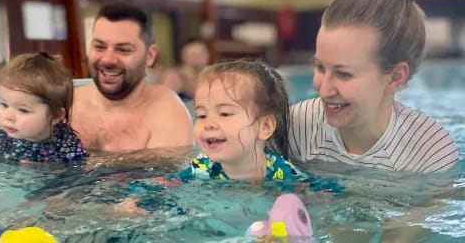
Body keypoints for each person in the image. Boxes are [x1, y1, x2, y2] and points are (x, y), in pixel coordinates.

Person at [289, 0, 459, 173]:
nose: (323, 90)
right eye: (320, 67)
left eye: (344, 74)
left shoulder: (428, 153)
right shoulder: (294, 128)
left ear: (396, 77)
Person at [115, 60, 343, 214]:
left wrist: (322, 198)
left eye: (224, 113)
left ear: (264, 127)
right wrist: (132, 200)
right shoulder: (202, 169)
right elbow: (154, 185)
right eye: (201, 114)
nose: (209, 123)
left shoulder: (280, 172)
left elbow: (328, 189)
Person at [71, 4, 193, 152]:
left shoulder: (167, 115)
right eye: (99, 46)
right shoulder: (66, 105)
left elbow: (166, 174)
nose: (108, 60)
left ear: (150, 56)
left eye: (123, 50)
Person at [0, 52, 87, 163]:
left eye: (23, 110)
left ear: (56, 116)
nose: (8, 117)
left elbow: (77, 167)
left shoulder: (65, 140)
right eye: (4, 105)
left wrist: (49, 169)